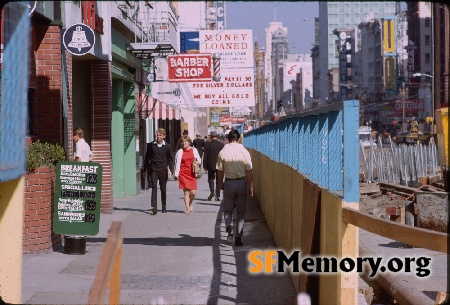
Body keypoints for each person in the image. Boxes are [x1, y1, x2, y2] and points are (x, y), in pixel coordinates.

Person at [217, 129, 253, 247]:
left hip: (229, 183)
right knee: (241, 212)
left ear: (227, 138)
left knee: (227, 210)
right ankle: (238, 238)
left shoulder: (223, 151)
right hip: (242, 183)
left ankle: (229, 227)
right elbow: (249, 171)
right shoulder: (244, 151)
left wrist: (221, 184)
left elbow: (220, 171)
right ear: (239, 139)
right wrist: (250, 187)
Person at [144, 128, 174, 215]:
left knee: (163, 188)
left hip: (163, 169)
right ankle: (154, 207)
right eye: (157, 135)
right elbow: (147, 157)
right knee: (154, 187)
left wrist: (171, 170)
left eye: (160, 135)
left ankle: (164, 206)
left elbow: (170, 159)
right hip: (153, 168)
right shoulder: (151, 145)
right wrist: (144, 169)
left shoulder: (167, 146)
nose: (158, 137)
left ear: (164, 136)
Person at [174, 135, 202, 215]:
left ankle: (190, 203)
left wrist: (197, 162)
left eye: (185, 141)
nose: (184, 143)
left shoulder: (194, 150)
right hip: (183, 173)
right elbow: (177, 163)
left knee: (193, 192)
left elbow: (199, 160)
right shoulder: (180, 152)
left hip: (192, 173)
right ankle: (187, 208)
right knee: (186, 192)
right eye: (182, 142)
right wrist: (176, 174)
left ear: (189, 142)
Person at [203, 130, 224, 201]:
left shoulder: (207, 144)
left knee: (210, 179)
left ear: (211, 137)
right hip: (219, 165)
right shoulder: (221, 145)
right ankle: (217, 196)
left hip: (210, 164)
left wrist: (204, 166)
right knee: (218, 180)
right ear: (217, 137)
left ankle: (212, 191)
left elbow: (205, 156)